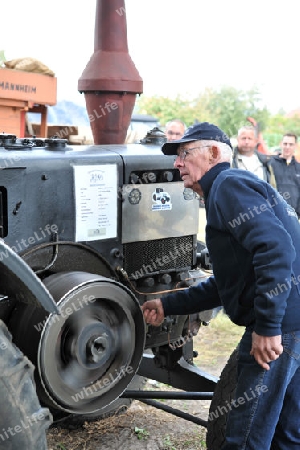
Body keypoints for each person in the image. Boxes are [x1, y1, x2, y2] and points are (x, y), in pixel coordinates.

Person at [141, 122, 300, 449]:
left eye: (184, 153)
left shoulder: (227, 185)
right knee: (287, 433)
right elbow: (228, 283)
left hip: (281, 326)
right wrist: (168, 304)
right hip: (294, 323)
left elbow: (276, 248)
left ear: (214, 152)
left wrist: (269, 326)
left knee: (244, 438)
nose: (177, 163)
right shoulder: (228, 190)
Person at [270, 133, 300, 218]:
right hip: (275, 214)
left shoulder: (298, 167)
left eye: (291, 144)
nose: (287, 147)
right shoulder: (270, 164)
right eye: (285, 144)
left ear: (295, 146)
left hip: (295, 216)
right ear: (280, 144)